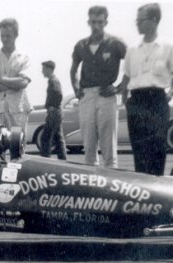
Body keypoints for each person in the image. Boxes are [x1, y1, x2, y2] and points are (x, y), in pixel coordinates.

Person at [70, 6, 126, 168]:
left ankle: (111, 190)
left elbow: (131, 64)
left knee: (109, 147)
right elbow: (73, 69)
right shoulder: (81, 45)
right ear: (88, 22)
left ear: (105, 22)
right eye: (93, 22)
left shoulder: (115, 43)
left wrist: (118, 87)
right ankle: (91, 189)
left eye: (100, 22)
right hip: (86, 96)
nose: (96, 26)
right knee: (89, 146)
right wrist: (76, 89)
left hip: (106, 95)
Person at [122, 3, 173, 176]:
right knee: (140, 153)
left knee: (157, 151)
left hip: (157, 101)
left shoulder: (167, 48)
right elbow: (126, 77)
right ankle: (141, 197)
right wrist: (125, 101)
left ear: (153, 20)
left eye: (140, 20)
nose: (137, 24)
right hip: (136, 102)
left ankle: (155, 199)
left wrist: (170, 94)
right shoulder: (132, 50)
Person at [0, 18, 31, 143]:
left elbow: (23, 83)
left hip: (17, 110)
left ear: (16, 35)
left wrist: (1, 79)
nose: (4, 39)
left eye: (8, 36)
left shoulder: (24, 57)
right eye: (2, 36)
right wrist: (13, 84)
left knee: (18, 151)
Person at [40, 60, 67, 160]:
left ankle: (45, 159)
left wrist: (52, 106)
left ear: (49, 69)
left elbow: (58, 94)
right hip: (57, 112)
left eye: (44, 69)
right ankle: (63, 159)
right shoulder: (53, 80)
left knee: (46, 137)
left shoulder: (53, 81)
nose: (42, 72)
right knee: (58, 137)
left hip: (54, 113)